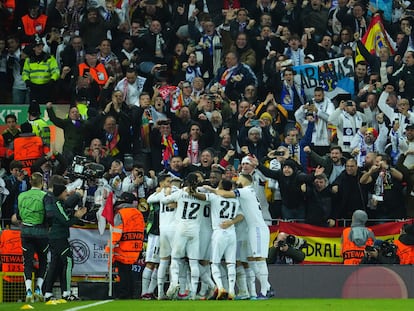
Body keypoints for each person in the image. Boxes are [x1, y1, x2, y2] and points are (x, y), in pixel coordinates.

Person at [204, 173, 273, 299]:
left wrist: (212, 190)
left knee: (259, 259)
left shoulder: (246, 190)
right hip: (253, 228)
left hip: (258, 228)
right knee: (252, 260)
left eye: (240, 178)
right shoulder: (247, 192)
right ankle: (267, 287)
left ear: (246, 180)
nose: (238, 181)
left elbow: (225, 194)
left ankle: (265, 290)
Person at [192, 179, 243, 300]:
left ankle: (220, 288)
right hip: (231, 233)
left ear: (220, 186)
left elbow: (198, 195)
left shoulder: (214, 197)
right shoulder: (235, 200)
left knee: (214, 263)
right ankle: (231, 291)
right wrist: (232, 222)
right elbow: (241, 215)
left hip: (218, 232)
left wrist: (192, 188)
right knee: (231, 263)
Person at [162, 172, 210, 300]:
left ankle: (174, 283)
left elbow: (164, 200)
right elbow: (209, 199)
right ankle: (193, 293)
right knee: (194, 262)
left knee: (176, 259)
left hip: (181, 229)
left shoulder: (180, 193)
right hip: (195, 231)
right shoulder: (202, 196)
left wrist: (172, 199)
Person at [43, 182, 87, 301]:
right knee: (68, 261)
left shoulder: (58, 203)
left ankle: (47, 293)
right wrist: (77, 216)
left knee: (55, 264)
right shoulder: (57, 204)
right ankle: (66, 293)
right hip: (58, 238)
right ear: (61, 193)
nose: (67, 193)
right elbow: (66, 221)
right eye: (65, 192)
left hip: (55, 237)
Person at [16, 172, 48, 302]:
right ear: (42, 183)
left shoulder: (21, 196)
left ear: (30, 182)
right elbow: (49, 214)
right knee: (43, 260)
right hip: (41, 232)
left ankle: (28, 290)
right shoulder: (45, 196)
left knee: (27, 262)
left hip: (26, 231)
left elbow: (18, 215)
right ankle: (39, 288)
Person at [106, 192, 145, 299]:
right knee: (129, 272)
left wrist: (109, 248)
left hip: (123, 248)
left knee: (123, 273)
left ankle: (124, 294)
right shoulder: (138, 213)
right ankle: (131, 293)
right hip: (136, 248)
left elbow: (116, 233)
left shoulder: (121, 214)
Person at [22, 35, 60, 104]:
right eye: (37, 46)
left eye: (41, 45)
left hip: (47, 88)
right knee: (34, 109)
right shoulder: (29, 60)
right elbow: (25, 72)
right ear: (34, 48)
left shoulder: (50, 58)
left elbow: (56, 71)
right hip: (33, 88)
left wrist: (52, 80)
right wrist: (27, 81)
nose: (40, 47)